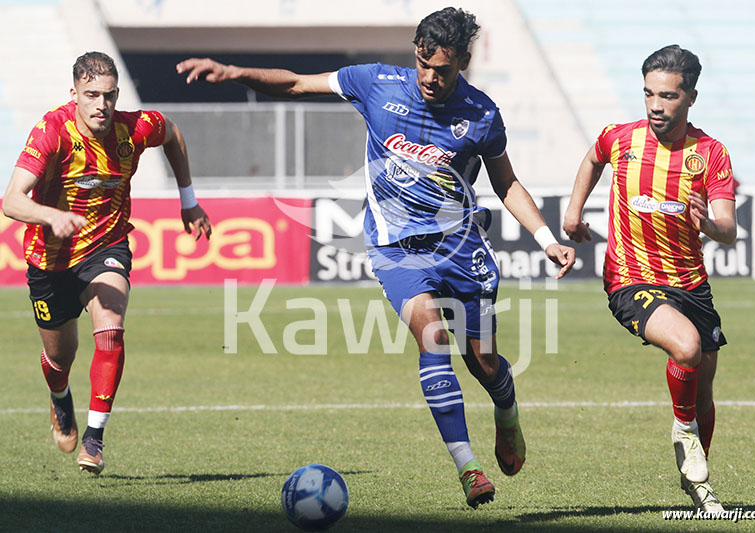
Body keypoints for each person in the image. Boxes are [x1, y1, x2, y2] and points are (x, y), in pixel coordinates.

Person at [177, 7, 574, 508]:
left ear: (464, 63)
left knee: (484, 360)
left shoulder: (482, 114)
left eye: (443, 70)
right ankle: (468, 468)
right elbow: (298, 84)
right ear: (415, 54)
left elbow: (505, 181)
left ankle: (507, 410)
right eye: (424, 65)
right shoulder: (375, 83)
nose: (430, 78)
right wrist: (237, 74)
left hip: (460, 246)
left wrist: (545, 238)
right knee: (432, 339)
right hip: (395, 249)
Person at [3, 51, 211, 474]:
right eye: (92, 95)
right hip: (51, 260)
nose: (102, 104)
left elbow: (172, 132)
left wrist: (188, 201)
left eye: (110, 95)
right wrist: (52, 215)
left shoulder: (134, 128)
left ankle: (95, 439)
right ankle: (60, 400)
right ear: (75, 94)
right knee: (61, 360)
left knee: (111, 324)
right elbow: (11, 200)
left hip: (106, 247)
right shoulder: (51, 133)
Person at [563, 45, 736, 513]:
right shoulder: (621, 138)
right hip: (631, 278)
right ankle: (682, 431)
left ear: (691, 97)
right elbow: (592, 158)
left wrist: (710, 225)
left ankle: (698, 487)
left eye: (668, 96)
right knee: (686, 347)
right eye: (649, 94)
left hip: (692, 285)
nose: (657, 105)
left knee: (704, 388)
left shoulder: (710, 154)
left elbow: (728, 229)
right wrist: (573, 213)